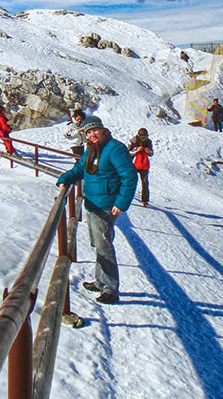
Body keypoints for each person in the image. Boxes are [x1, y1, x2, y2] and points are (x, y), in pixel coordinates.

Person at [57, 115, 137, 304]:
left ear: (103, 130)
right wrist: (65, 178)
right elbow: (80, 169)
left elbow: (129, 176)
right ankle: (100, 281)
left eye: (95, 130)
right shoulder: (91, 149)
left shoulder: (115, 149)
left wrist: (121, 203)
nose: (92, 134)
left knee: (104, 244)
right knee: (98, 243)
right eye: (88, 131)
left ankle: (111, 289)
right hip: (92, 202)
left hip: (106, 205)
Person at [128, 128, 153, 207]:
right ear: (139, 136)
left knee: (145, 183)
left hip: (144, 165)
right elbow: (128, 152)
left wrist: (149, 152)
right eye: (142, 138)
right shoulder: (134, 141)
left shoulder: (149, 142)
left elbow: (152, 153)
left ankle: (145, 200)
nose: (144, 139)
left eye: (145, 138)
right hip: (134, 164)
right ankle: (126, 197)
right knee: (129, 181)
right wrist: (136, 151)